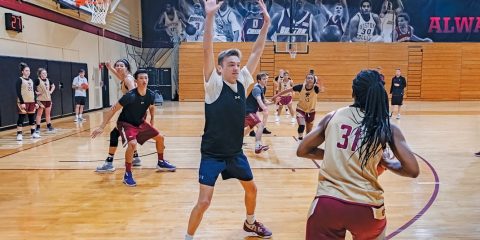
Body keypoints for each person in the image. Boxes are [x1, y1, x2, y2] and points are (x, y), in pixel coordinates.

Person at [296, 70, 419, 239]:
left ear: (353, 92)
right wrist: (388, 163)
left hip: (328, 203)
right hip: (367, 208)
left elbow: (302, 150)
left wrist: (337, 154)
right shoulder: (386, 126)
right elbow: (412, 170)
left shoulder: (333, 116)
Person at [185, 0, 272, 239]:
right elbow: (207, 50)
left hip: (235, 153)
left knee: (252, 189)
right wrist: (210, 16)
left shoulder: (243, 82)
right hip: (212, 153)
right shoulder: (213, 85)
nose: (236, 68)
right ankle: (188, 237)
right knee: (204, 202)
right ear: (220, 69)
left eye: (237, 64)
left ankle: (250, 223)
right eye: (230, 65)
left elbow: (256, 51)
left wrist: (266, 24)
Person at [91, 69, 176, 187]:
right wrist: (101, 126)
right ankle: (127, 174)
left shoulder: (151, 94)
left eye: (146, 78)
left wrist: (152, 119)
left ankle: (161, 162)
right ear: (136, 81)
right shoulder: (129, 96)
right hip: (126, 123)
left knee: (160, 138)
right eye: (141, 78)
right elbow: (113, 110)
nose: (144, 80)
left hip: (140, 123)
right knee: (132, 144)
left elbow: (151, 106)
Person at [96, 59, 143, 172]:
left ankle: (109, 162)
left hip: (131, 112)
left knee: (114, 134)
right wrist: (110, 68)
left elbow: (133, 94)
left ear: (126, 67)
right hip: (134, 111)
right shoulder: (127, 77)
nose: (118, 67)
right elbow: (120, 76)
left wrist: (122, 103)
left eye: (121, 65)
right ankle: (135, 157)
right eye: (117, 65)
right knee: (130, 136)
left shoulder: (128, 79)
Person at [272, 72, 320, 140]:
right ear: (306, 79)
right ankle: (300, 138)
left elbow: (321, 89)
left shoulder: (316, 88)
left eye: (311, 78)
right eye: (308, 78)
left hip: (311, 110)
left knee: (309, 132)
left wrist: (320, 85)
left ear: (314, 80)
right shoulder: (300, 87)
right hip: (301, 109)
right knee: (302, 126)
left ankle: (306, 144)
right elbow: (287, 90)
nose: (309, 79)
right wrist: (276, 95)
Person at [244, 72, 272, 153]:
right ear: (259, 80)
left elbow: (264, 101)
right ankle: (258, 146)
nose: (266, 80)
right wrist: (264, 108)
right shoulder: (257, 89)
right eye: (264, 79)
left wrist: (273, 102)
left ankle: (237, 142)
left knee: (251, 128)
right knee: (260, 126)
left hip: (252, 111)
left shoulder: (263, 88)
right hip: (248, 111)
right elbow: (259, 100)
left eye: (267, 78)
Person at [16, 62, 40, 141]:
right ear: (22, 71)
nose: (28, 72)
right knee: (21, 117)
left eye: (29, 71)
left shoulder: (31, 80)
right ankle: (19, 134)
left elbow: (33, 91)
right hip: (23, 102)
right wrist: (22, 102)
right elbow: (18, 92)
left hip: (31, 102)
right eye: (26, 70)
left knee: (32, 118)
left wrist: (36, 102)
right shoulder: (20, 80)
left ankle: (33, 133)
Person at [35, 68, 55, 133]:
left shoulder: (48, 80)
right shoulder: (37, 80)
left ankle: (49, 125)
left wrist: (51, 91)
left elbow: (53, 86)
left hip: (48, 99)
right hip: (40, 100)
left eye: (45, 73)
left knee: (48, 114)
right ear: (40, 74)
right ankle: (37, 127)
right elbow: (31, 87)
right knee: (39, 114)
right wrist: (36, 92)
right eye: (43, 73)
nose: (45, 74)